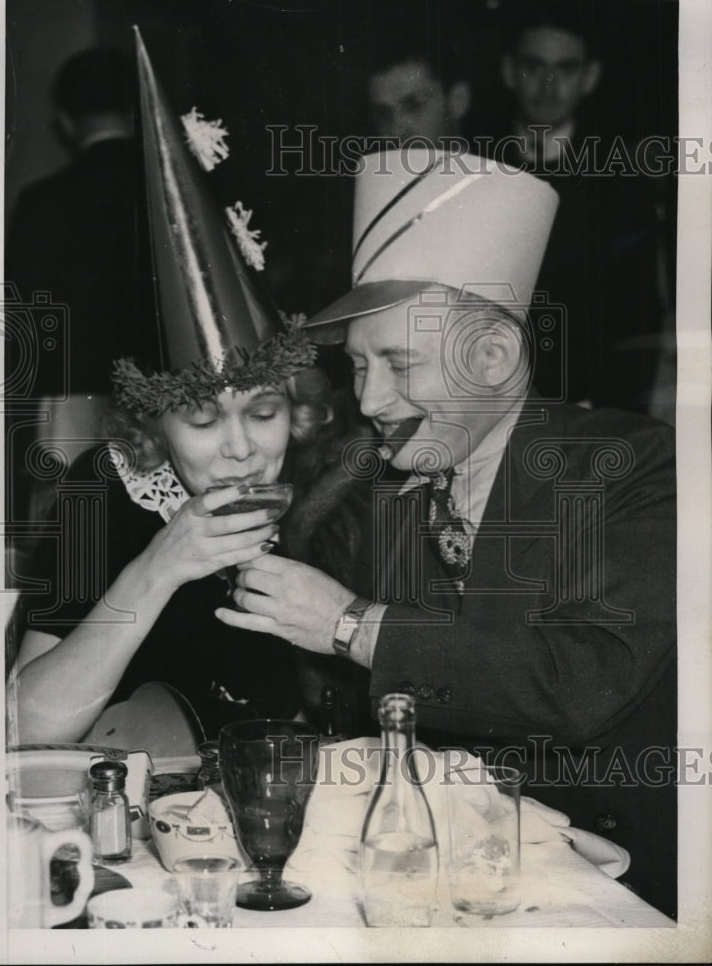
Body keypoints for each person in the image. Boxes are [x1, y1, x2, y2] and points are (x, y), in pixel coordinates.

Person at [219, 148, 677, 918]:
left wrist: (346, 624)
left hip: (633, 885)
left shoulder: (628, 464)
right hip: (473, 875)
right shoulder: (395, 497)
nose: (370, 399)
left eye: (398, 363)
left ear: (495, 357)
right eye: (359, 367)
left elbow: (581, 684)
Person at [8, 32, 331, 746]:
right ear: (156, 428)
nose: (243, 448)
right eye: (203, 418)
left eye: (265, 410)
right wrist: (159, 565)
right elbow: (27, 729)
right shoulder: (105, 494)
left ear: (297, 412)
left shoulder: (337, 491)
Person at [489, 2, 667, 414]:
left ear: (590, 77)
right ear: (508, 71)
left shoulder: (620, 180)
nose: (548, 85)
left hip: (586, 407)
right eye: (533, 66)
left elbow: (637, 317)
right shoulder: (478, 166)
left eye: (565, 69)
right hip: (487, 400)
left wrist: (604, 413)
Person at [5, 48, 143, 525]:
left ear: (65, 121)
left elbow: (21, 318)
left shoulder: (43, 201)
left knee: (72, 534)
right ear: (133, 110)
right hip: (164, 395)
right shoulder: (163, 190)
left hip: (71, 400)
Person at [365, 33, 471, 146]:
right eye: (384, 115)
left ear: (458, 101)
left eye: (413, 106)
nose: (396, 131)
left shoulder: (489, 163)